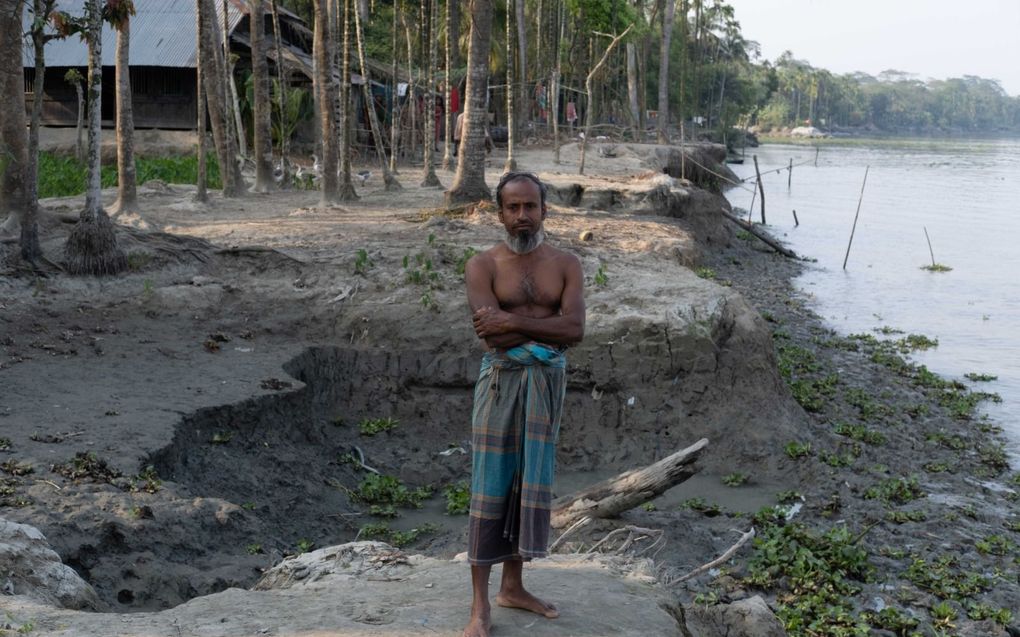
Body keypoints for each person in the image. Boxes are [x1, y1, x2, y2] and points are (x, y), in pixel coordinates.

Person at [462, 172, 586, 637]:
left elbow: (574, 330)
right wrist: (541, 328)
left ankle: (513, 587)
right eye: (512, 208)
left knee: (529, 484)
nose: (522, 216)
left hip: (544, 387)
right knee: (490, 486)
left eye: (529, 206)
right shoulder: (483, 265)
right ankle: (479, 606)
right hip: (501, 384)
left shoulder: (566, 263)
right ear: (499, 213)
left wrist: (508, 321)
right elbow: (487, 334)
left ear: (544, 210)